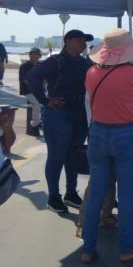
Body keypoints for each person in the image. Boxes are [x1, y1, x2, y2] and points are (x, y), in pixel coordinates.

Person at [80, 29, 133, 264]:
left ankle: (87, 249)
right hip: (126, 133)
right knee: (126, 194)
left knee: (96, 195)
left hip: (98, 133)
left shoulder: (91, 72)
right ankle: (127, 248)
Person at [25, 29, 93, 213]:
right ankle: (53, 196)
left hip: (80, 115)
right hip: (58, 115)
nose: (83, 43)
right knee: (56, 156)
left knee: (75, 155)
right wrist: (45, 100)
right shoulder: (56, 61)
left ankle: (71, 193)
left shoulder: (86, 62)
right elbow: (31, 77)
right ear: (68, 41)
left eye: (85, 41)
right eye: (80, 40)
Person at [19, 47, 43, 137]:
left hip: (39, 91)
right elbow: (25, 81)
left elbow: (45, 79)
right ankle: (35, 126)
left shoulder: (41, 65)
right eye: (31, 54)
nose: (33, 56)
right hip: (28, 91)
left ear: (39, 56)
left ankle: (41, 124)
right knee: (37, 104)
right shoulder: (24, 66)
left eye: (35, 54)